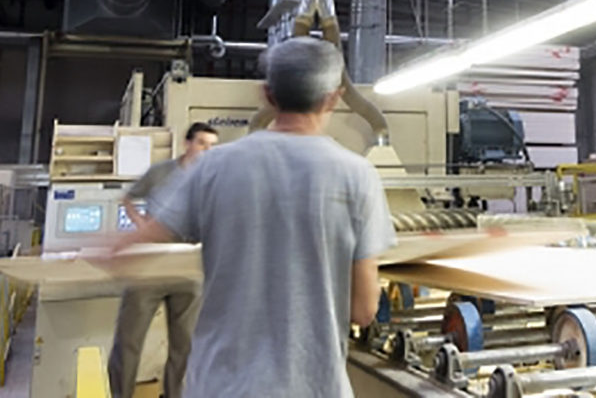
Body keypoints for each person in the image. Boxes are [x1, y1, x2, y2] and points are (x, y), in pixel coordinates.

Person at [111, 38, 397, 397]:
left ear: (267, 95)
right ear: (335, 98)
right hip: (312, 386)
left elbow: (137, 244)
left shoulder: (213, 166)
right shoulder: (358, 175)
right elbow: (363, 310)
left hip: (219, 386)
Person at [108, 121, 219, 398]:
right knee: (130, 340)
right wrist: (140, 225)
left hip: (188, 265)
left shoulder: (211, 179)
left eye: (212, 146)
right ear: (187, 143)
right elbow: (128, 198)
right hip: (151, 262)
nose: (206, 151)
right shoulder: (161, 173)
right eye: (202, 143)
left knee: (185, 345)